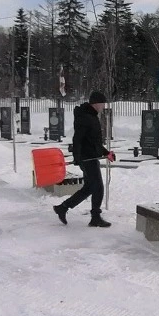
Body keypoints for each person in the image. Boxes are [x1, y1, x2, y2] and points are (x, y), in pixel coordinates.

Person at [53, 91, 114, 228]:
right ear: (96, 103)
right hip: (87, 158)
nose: (104, 106)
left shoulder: (92, 116)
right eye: (103, 103)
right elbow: (77, 139)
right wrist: (77, 158)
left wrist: (106, 153)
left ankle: (63, 207)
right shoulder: (85, 117)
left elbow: (94, 141)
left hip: (91, 156)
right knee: (98, 187)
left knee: (89, 187)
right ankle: (95, 217)